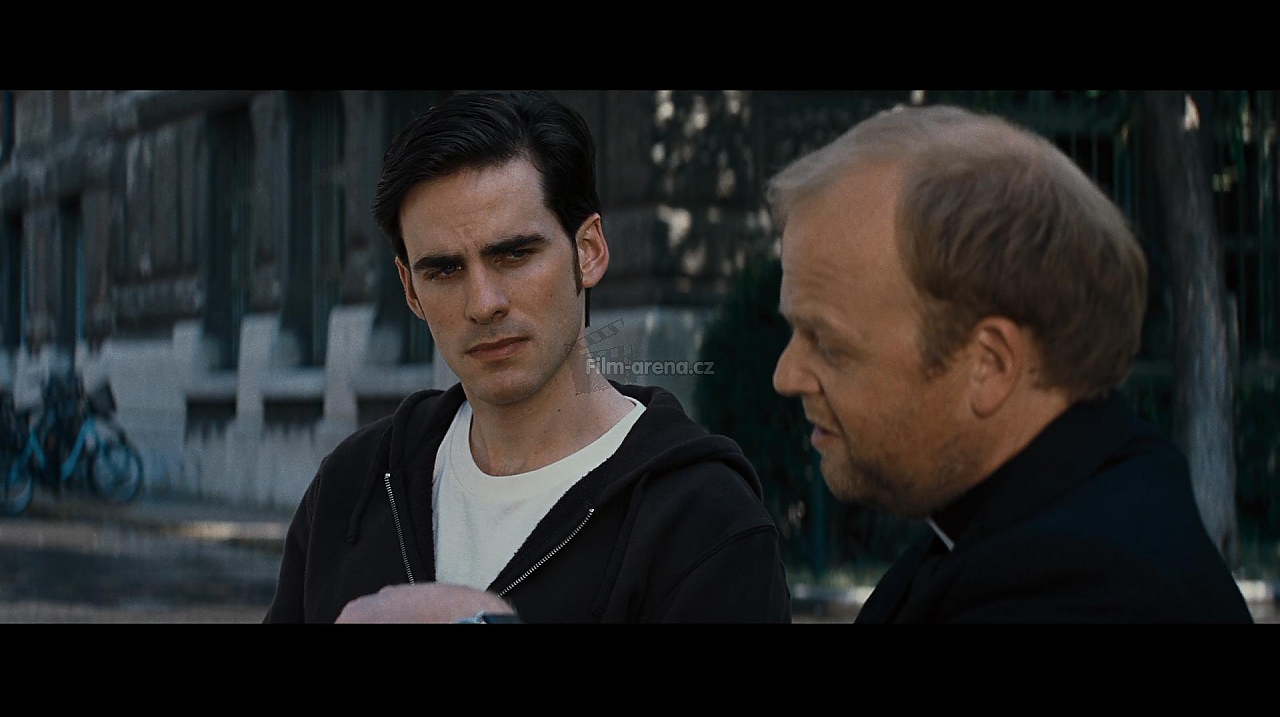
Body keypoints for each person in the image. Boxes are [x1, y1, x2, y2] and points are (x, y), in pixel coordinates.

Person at [263, 90, 792, 623]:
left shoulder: (705, 519)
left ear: (589, 252)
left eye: (515, 254)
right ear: (410, 290)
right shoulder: (351, 484)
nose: (483, 304)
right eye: (444, 270)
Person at [767, 103, 1254, 623]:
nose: (785, 377)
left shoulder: (1084, 590)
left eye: (828, 343)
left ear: (990, 364)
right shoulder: (1023, 521)